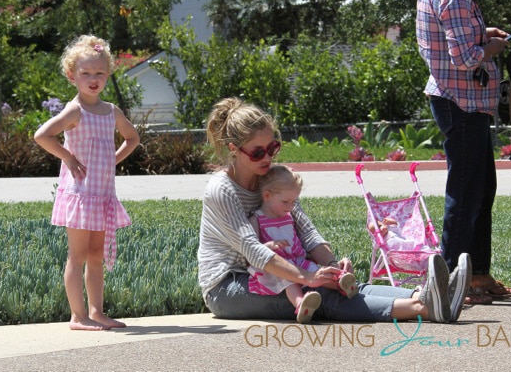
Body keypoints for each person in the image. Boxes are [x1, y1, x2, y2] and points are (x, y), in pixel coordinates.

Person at [198, 96, 472, 323]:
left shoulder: (272, 177)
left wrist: (331, 267)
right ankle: (423, 308)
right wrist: (306, 276)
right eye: (258, 152)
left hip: (277, 273)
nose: (268, 157)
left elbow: (306, 230)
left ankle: (429, 294)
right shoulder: (222, 190)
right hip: (229, 286)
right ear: (233, 149)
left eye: (272, 147)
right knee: (320, 297)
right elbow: (253, 250)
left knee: (343, 287)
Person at [416, 0, 511, 304]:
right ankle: (449, 282)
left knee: (482, 188)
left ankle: (478, 274)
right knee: (465, 191)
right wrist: (492, 48)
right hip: (461, 101)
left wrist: (480, 34)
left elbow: (446, 38)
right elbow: (464, 58)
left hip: (464, 100)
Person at [34, 35, 140, 330]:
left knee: (96, 255)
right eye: (86, 74)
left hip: (102, 193)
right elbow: (42, 135)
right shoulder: (74, 111)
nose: (93, 80)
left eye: (99, 73)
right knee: (77, 256)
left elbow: (133, 138)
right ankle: (77, 316)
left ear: (108, 74)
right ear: (72, 76)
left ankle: (96, 312)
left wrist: (113, 159)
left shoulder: (111, 111)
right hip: (80, 194)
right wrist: (67, 157)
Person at [247, 164, 358, 324]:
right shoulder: (257, 219)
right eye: (286, 201)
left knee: (317, 271)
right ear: (267, 195)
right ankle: (301, 304)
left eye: (293, 202)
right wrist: (270, 245)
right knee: (288, 281)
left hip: (297, 260)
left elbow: (306, 235)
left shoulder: (288, 216)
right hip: (276, 266)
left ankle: (342, 284)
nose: (290, 207)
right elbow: (253, 249)